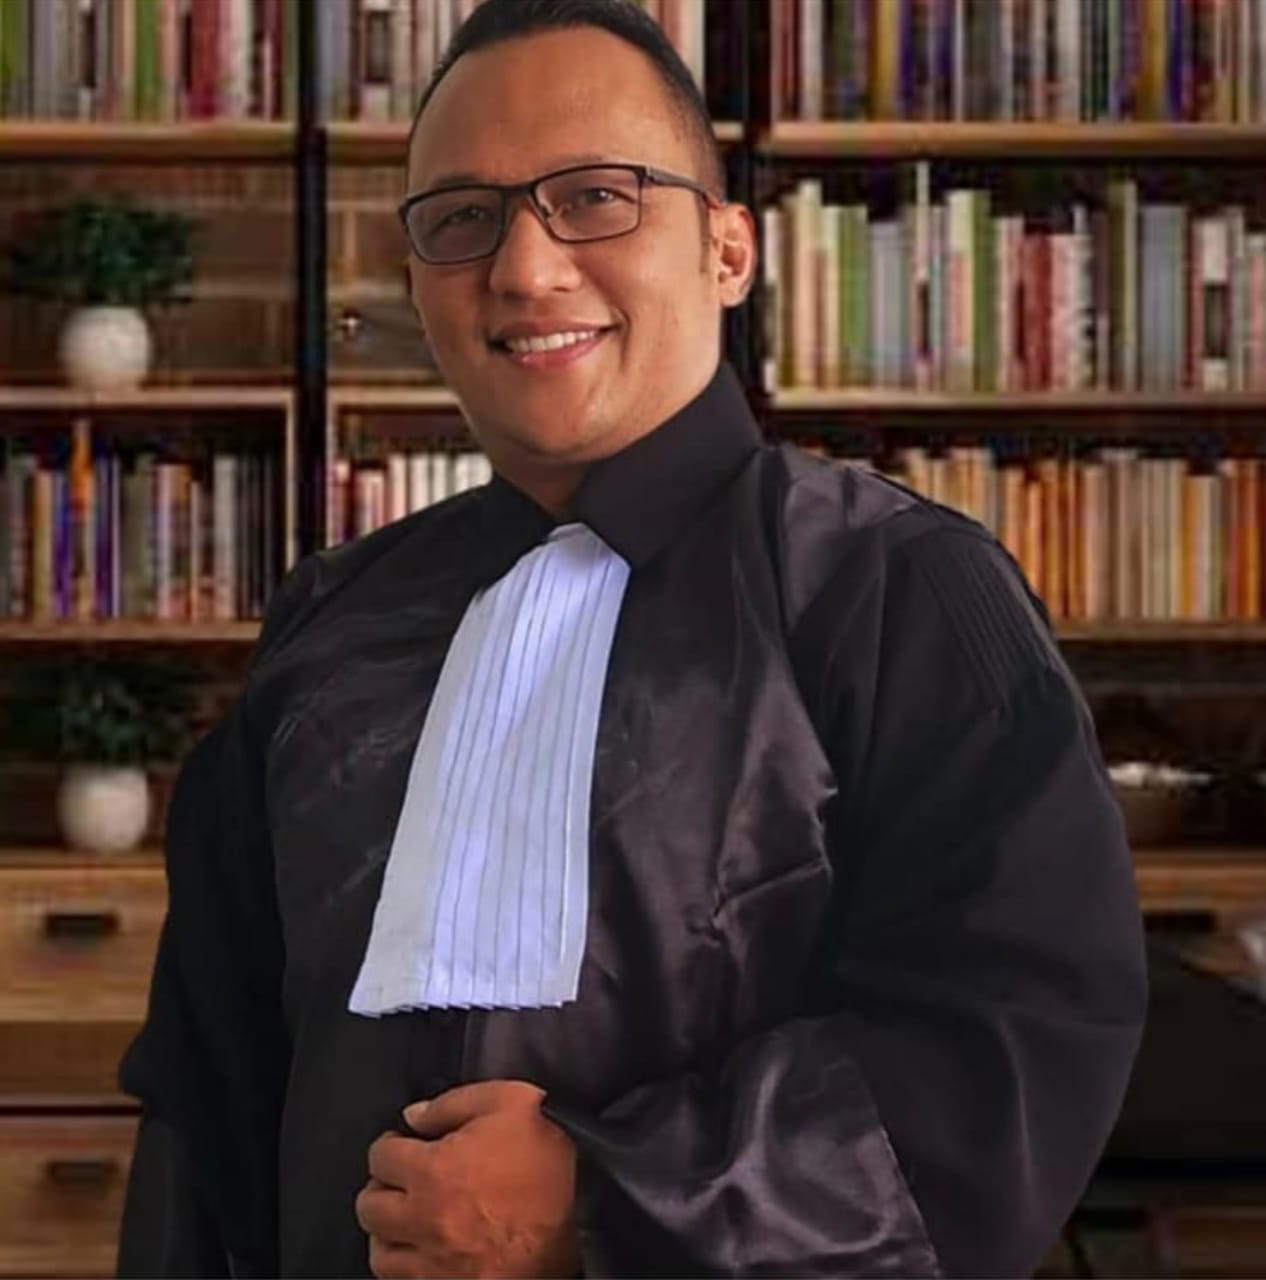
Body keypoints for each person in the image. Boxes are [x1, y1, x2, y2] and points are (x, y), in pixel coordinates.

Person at [116, 2, 1148, 1277]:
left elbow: (1013, 1050)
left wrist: (607, 1197)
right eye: (463, 218)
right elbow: (206, 1101)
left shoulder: (898, 587)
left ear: (728, 249)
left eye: (596, 196)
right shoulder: (330, 622)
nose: (525, 269)